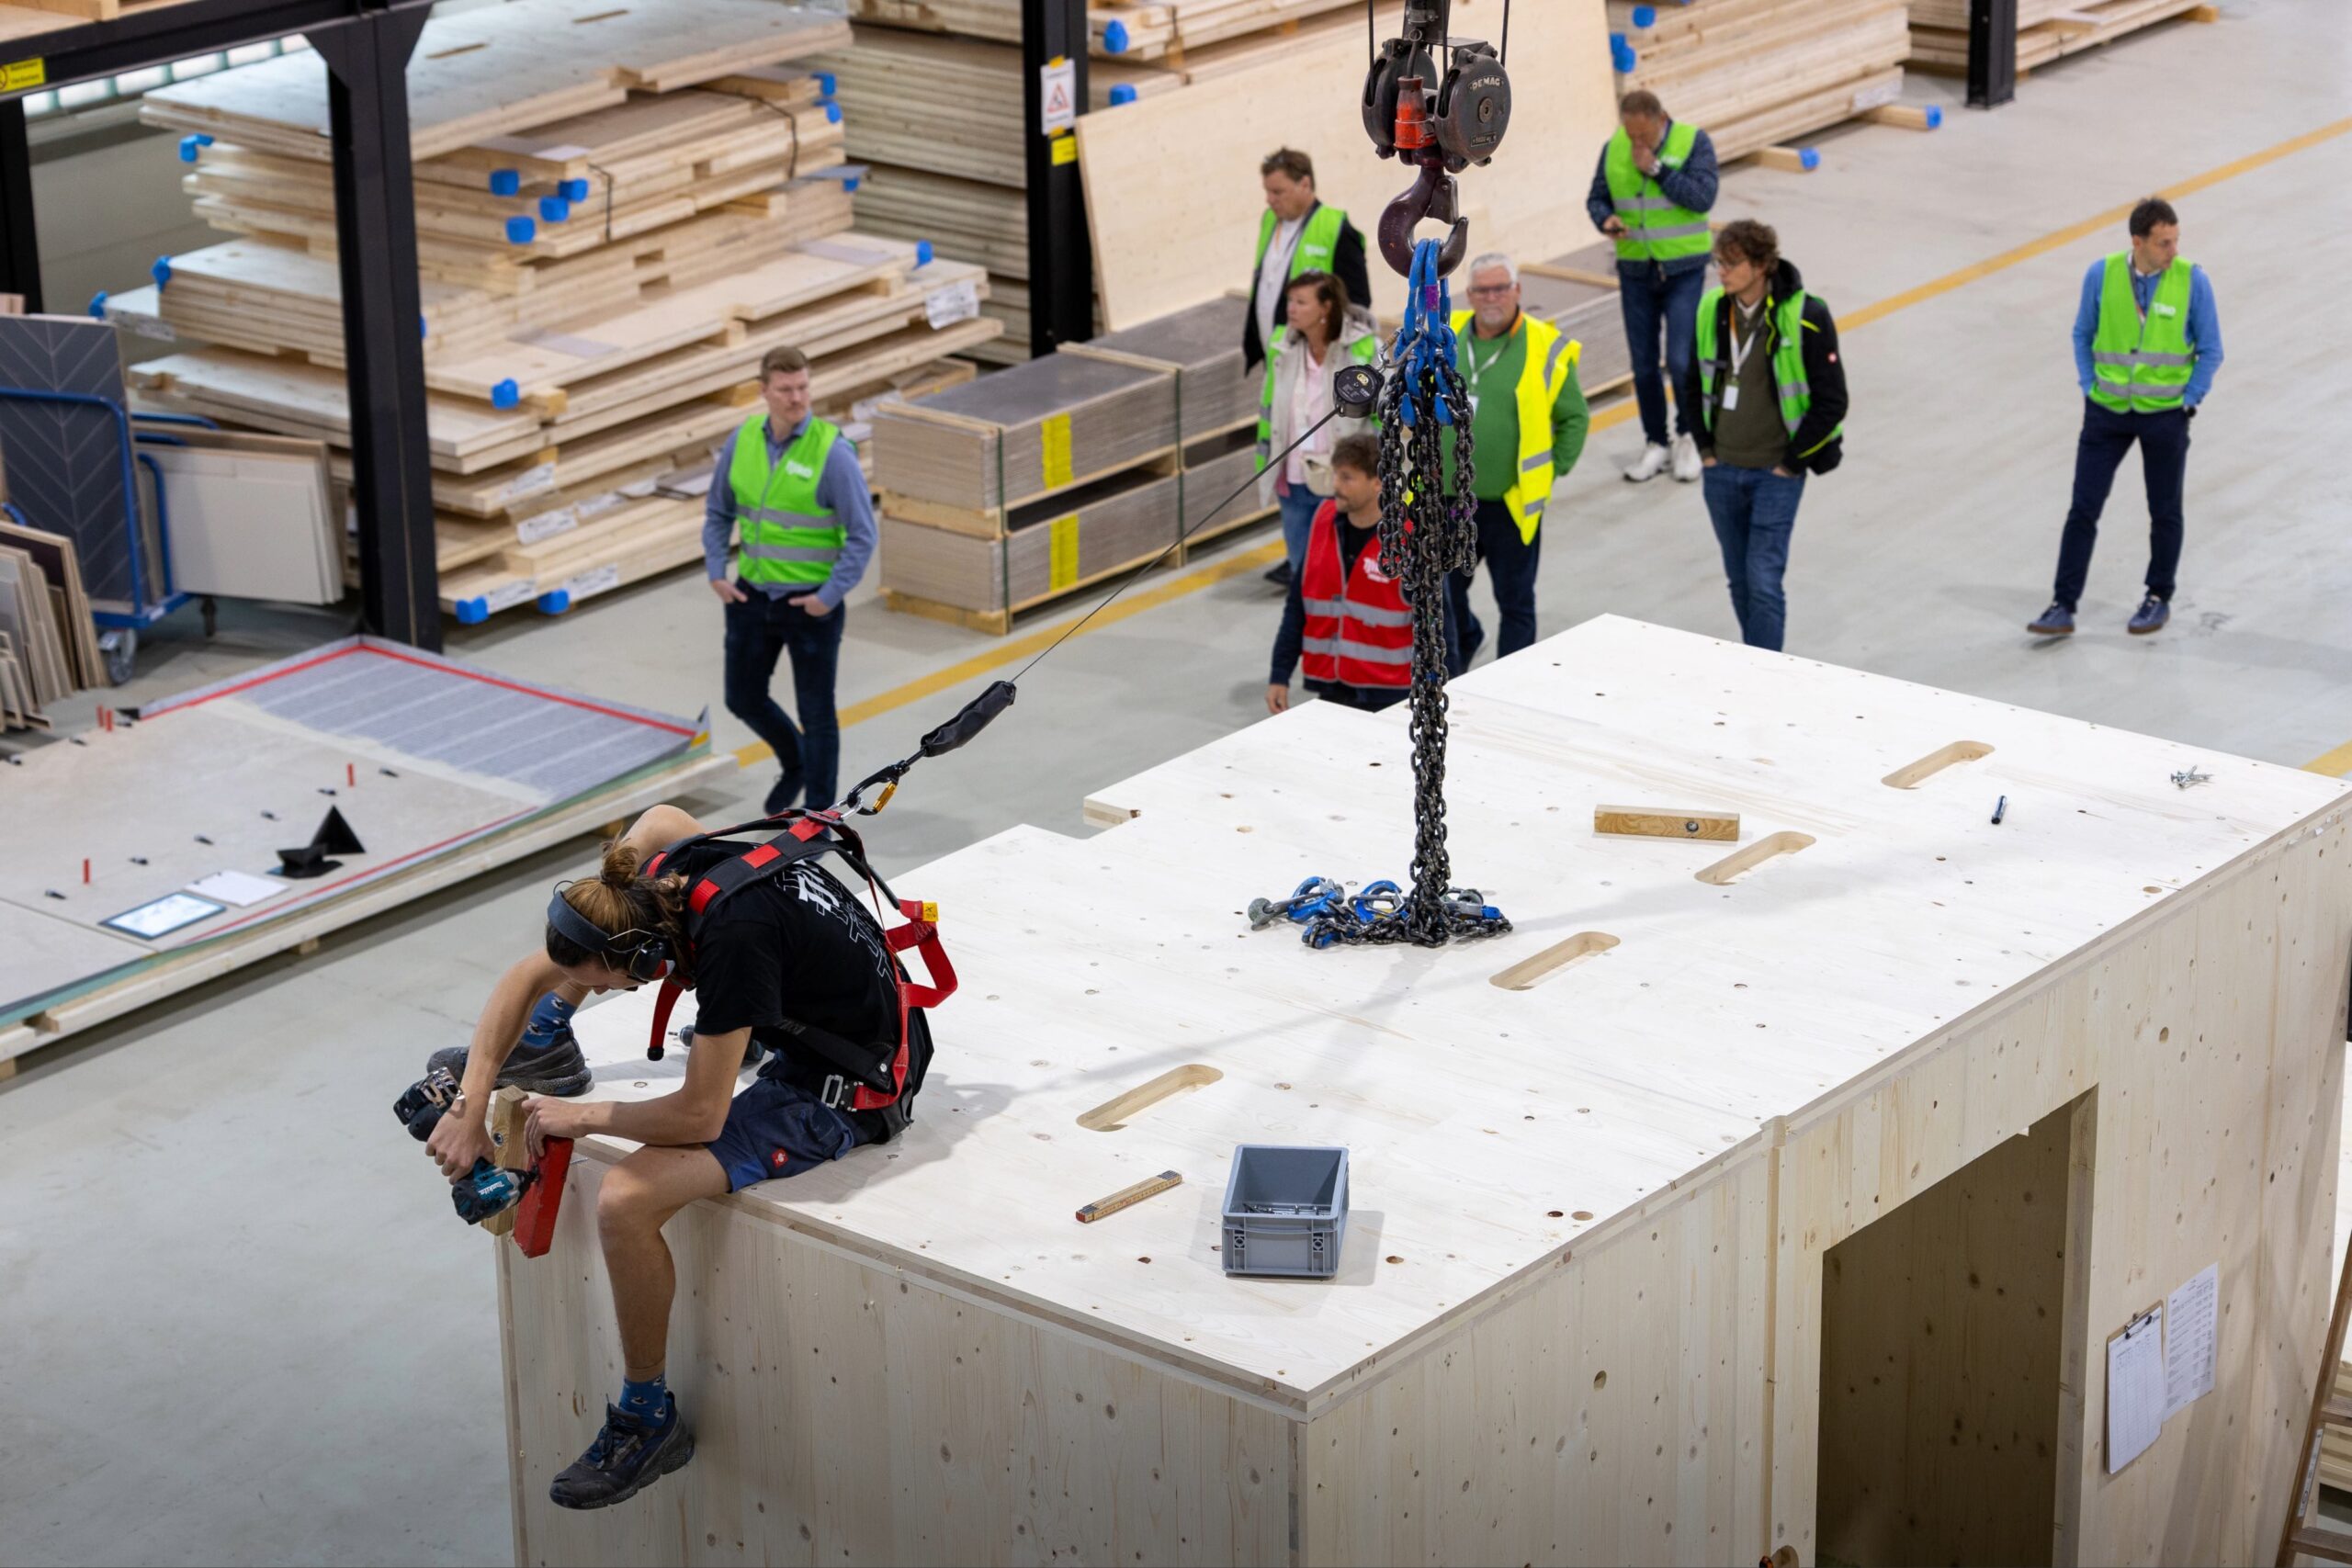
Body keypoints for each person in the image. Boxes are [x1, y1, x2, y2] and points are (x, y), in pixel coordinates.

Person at [424, 804, 933, 1510]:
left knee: (627, 1200)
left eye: (605, 985)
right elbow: (532, 970)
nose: (604, 993)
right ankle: (549, 1039)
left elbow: (700, 1114)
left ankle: (646, 1418)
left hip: (853, 1085)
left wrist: (583, 1113)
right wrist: (470, 1105)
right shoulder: (649, 871)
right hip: (833, 1004)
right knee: (609, 1039)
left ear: (645, 959)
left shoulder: (734, 946)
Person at [2028, 197, 2222, 637]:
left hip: (2164, 416)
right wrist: (2087, 385)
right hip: (2106, 413)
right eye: (2163, 243)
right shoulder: (2102, 274)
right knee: (2083, 507)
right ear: (2138, 241)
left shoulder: (2193, 280)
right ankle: (2062, 604)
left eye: (2175, 241)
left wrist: (2189, 400)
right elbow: (2082, 332)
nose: (2173, 250)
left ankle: (2158, 596)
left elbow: (2212, 348)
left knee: (2164, 509)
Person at [706, 345, 876, 816]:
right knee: (741, 697)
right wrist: (717, 571)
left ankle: (820, 818)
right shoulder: (742, 442)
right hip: (751, 596)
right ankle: (794, 762)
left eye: (803, 387)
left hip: (810, 607)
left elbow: (863, 533)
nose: (797, 398)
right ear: (764, 392)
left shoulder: (831, 452)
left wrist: (829, 596)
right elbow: (719, 510)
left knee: (817, 714)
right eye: (785, 389)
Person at [1691, 219, 1847, 653]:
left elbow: (1832, 401)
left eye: (1731, 263)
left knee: (1762, 580)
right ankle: (1753, 659)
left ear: (1761, 265)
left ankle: (1765, 674)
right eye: (1717, 261)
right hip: (1720, 471)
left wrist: (1791, 464)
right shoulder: (1712, 310)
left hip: (1775, 475)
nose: (1721, 271)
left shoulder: (1807, 316)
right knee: (1739, 580)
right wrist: (1705, 451)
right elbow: (1690, 382)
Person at [1445, 253, 1589, 667]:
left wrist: (1552, 469)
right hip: (1449, 501)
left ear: (1517, 291)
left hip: (1510, 503)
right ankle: (1455, 674)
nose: (1492, 298)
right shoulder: (1446, 334)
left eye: (1500, 288)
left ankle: (1511, 685)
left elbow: (1575, 417)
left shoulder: (1546, 345)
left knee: (1516, 604)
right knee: (1442, 597)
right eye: (1482, 290)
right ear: (1469, 295)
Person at [1586, 88, 1719, 486]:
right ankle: (1655, 441)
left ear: (1661, 119)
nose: (1635, 143)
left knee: (1680, 360)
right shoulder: (1614, 147)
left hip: (1683, 269)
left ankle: (1689, 436)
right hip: (1635, 269)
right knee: (1643, 365)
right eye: (1630, 135)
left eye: (1643, 135)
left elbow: (1702, 198)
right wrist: (1606, 220)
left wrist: (1658, 169)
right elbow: (1596, 199)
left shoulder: (1694, 142)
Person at [1269, 434, 1453, 714]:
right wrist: (1279, 674)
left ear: (1378, 482)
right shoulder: (1322, 523)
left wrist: (1443, 690)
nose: (1335, 486)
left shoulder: (1412, 541)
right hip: (1331, 688)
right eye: (1336, 475)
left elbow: (1441, 626)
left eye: (1347, 478)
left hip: (1392, 696)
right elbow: (1297, 606)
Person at [1257, 270, 1380, 586]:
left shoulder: (1364, 348)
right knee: (1304, 573)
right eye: (1290, 301)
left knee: (1349, 571)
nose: (1291, 309)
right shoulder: (1281, 348)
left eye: (1301, 302)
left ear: (1326, 307)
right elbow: (1271, 409)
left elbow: (1382, 414)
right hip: (1295, 478)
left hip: (1344, 478)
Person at [1245, 147, 1372, 374]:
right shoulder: (1270, 219)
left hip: (1313, 361)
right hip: (1276, 351)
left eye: (1277, 192)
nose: (1269, 200)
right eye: (1267, 191)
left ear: (1304, 184)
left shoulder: (1335, 229)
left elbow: (1358, 303)